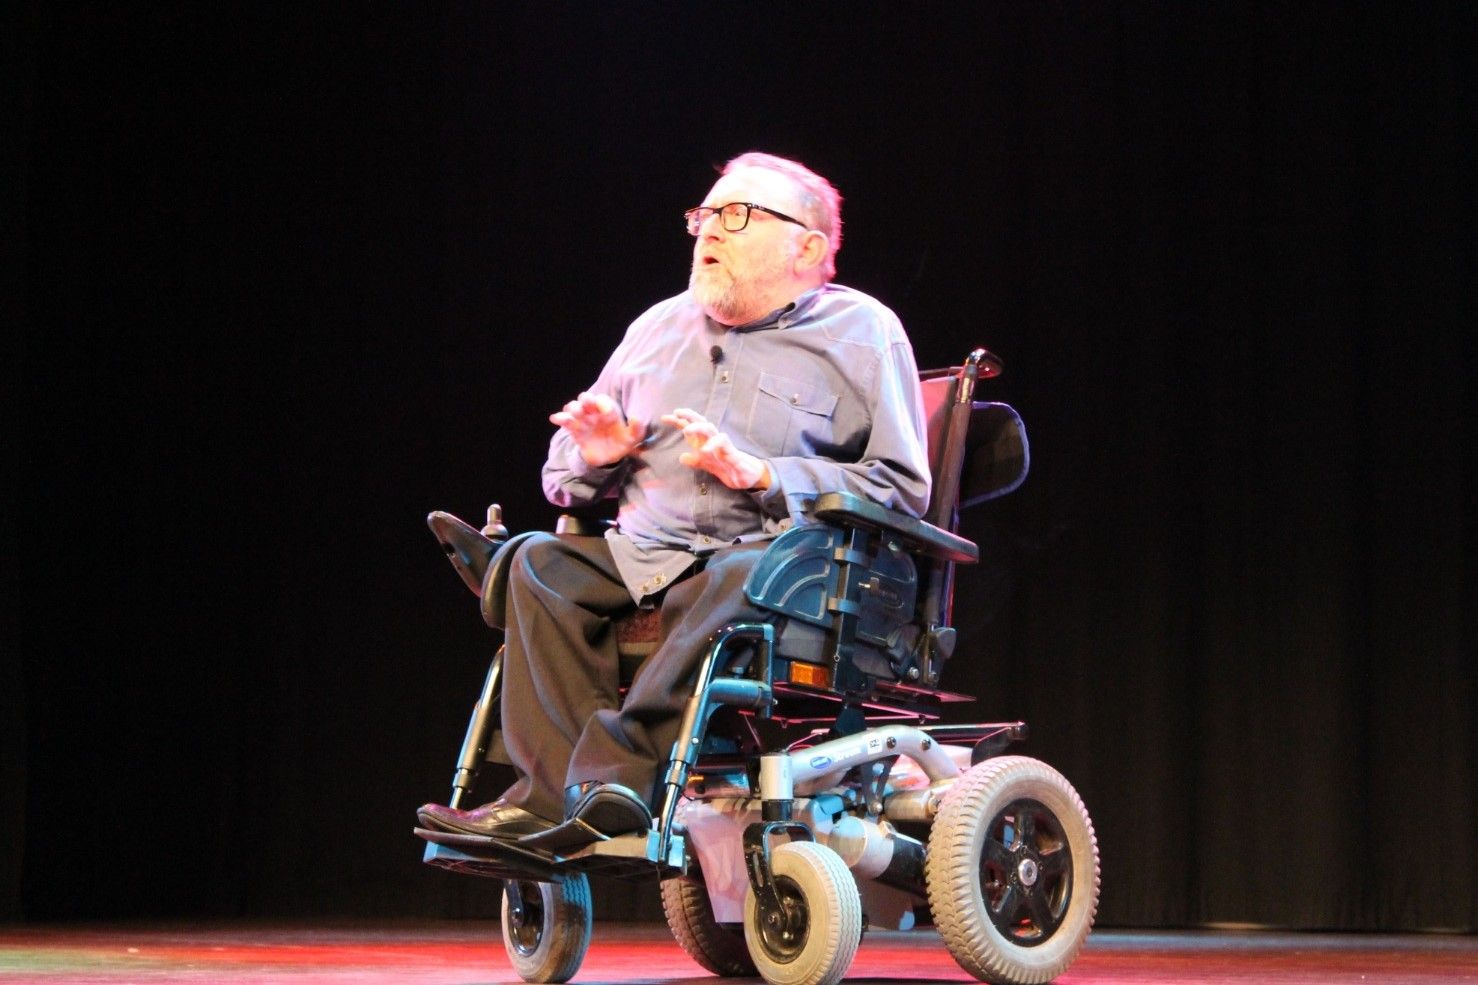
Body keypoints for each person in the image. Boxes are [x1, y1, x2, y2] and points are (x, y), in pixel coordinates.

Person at [417, 152, 931, 850]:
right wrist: (596, 458)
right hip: (644, 555)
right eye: (705, 215)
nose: (710, 230)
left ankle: (615, 784)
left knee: (741, 573)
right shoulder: (656, 329)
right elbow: (562, 480)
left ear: (807, 246)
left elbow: (902, 485)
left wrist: (764, 475)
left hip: (777, 564)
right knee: (536, 563)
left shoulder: (864, 331)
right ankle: (548, 802)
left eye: (737, 215)